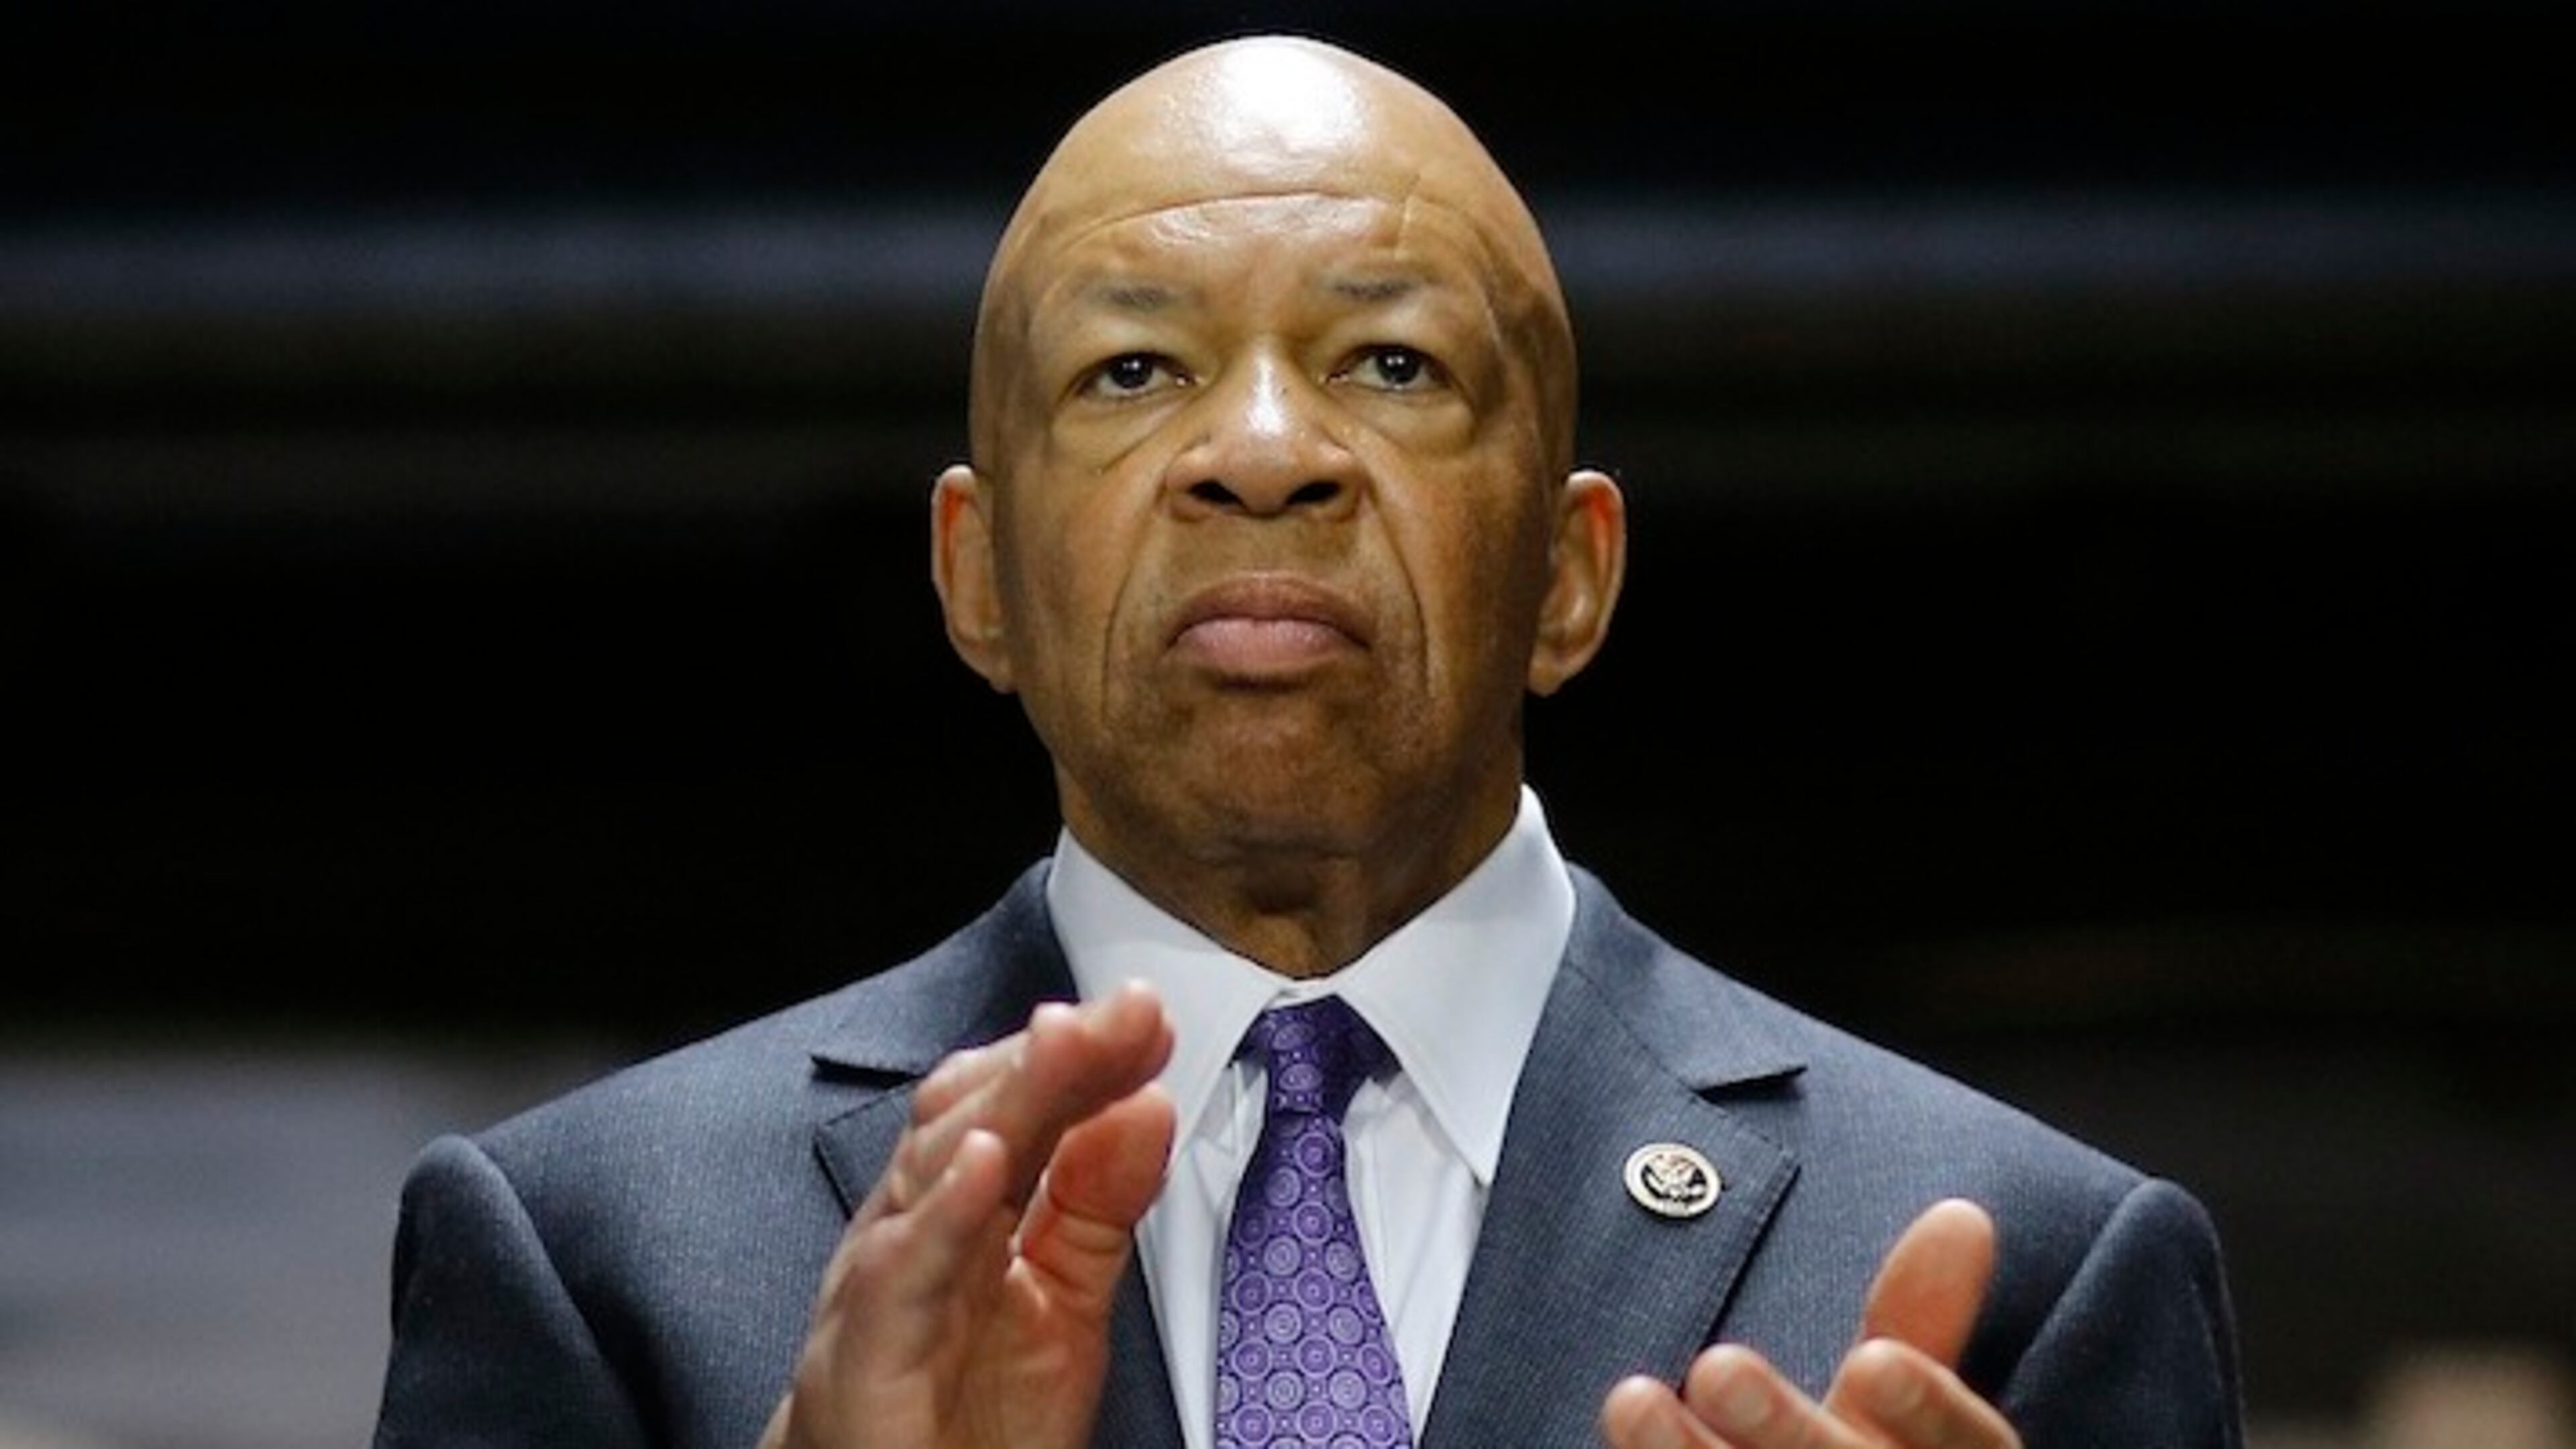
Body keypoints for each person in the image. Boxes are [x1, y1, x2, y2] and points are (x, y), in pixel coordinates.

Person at [371, 33, 2243, 1449]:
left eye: (1391, 364)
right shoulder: (596, 1256)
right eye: (1133, 370)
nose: (1262, 453)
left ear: (1570, 575)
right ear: (978, 580)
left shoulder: (2030, 1275)